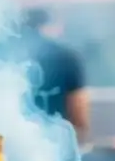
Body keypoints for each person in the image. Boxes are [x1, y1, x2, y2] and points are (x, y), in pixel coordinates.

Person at [16, 9, 91, 144]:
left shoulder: (7, 56)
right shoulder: (67, 58)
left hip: (12, 150)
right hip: (55, 151)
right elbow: (79, 118)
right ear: (53, 24)